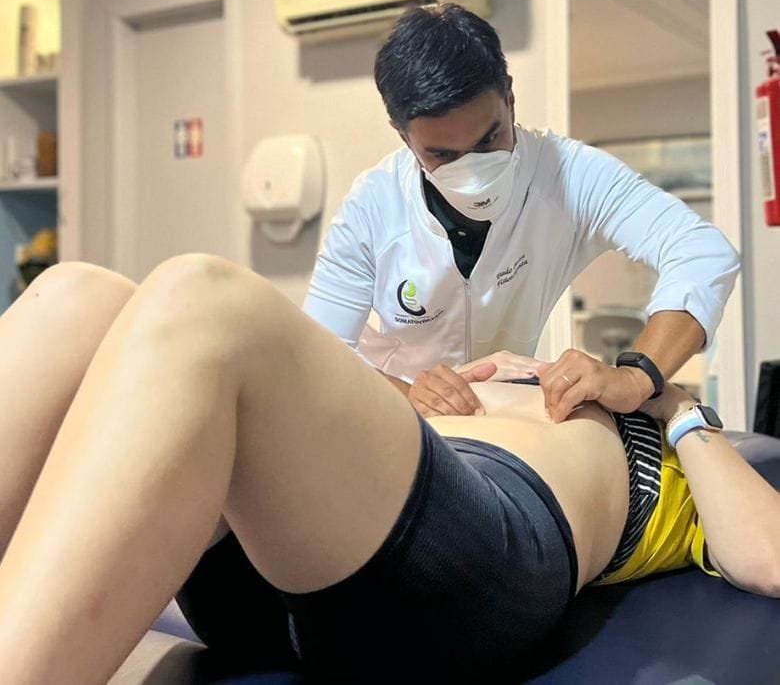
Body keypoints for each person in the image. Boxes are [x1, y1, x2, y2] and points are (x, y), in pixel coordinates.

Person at [0, 257, 776, 684]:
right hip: (307, 552)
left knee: (203, 299)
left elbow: (767, 555)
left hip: (473, 560)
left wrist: (666, 398)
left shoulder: (681, 441)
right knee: (77, 295)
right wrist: (418, 394)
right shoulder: (516, 369)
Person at [303, 4, 740, 423]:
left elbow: (700, 250)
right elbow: (316, 353)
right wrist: (408, 395)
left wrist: (638, 377)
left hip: (505, 418)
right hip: (396, 419)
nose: (472, 173)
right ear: (403, 136)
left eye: (488, 140)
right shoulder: (373, 206)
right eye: (442, 155)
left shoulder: (569, 176)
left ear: (510, 99)